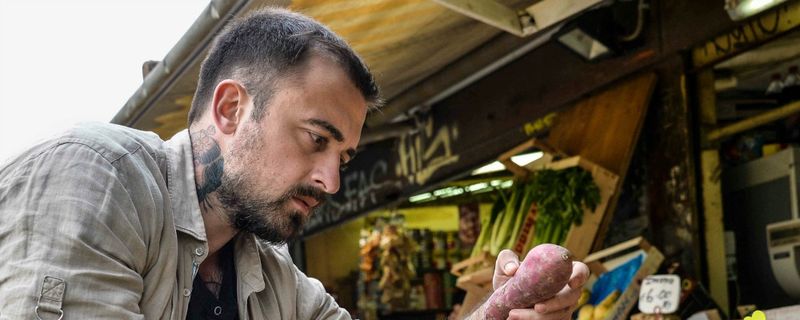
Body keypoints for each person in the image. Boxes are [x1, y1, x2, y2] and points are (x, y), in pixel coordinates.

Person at [0, 7, 589, 320]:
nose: (331, 180)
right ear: (231, 109)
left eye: (344, 156)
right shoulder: (96, 179)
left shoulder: (271, 281)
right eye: (315, 139)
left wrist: (502, 309)